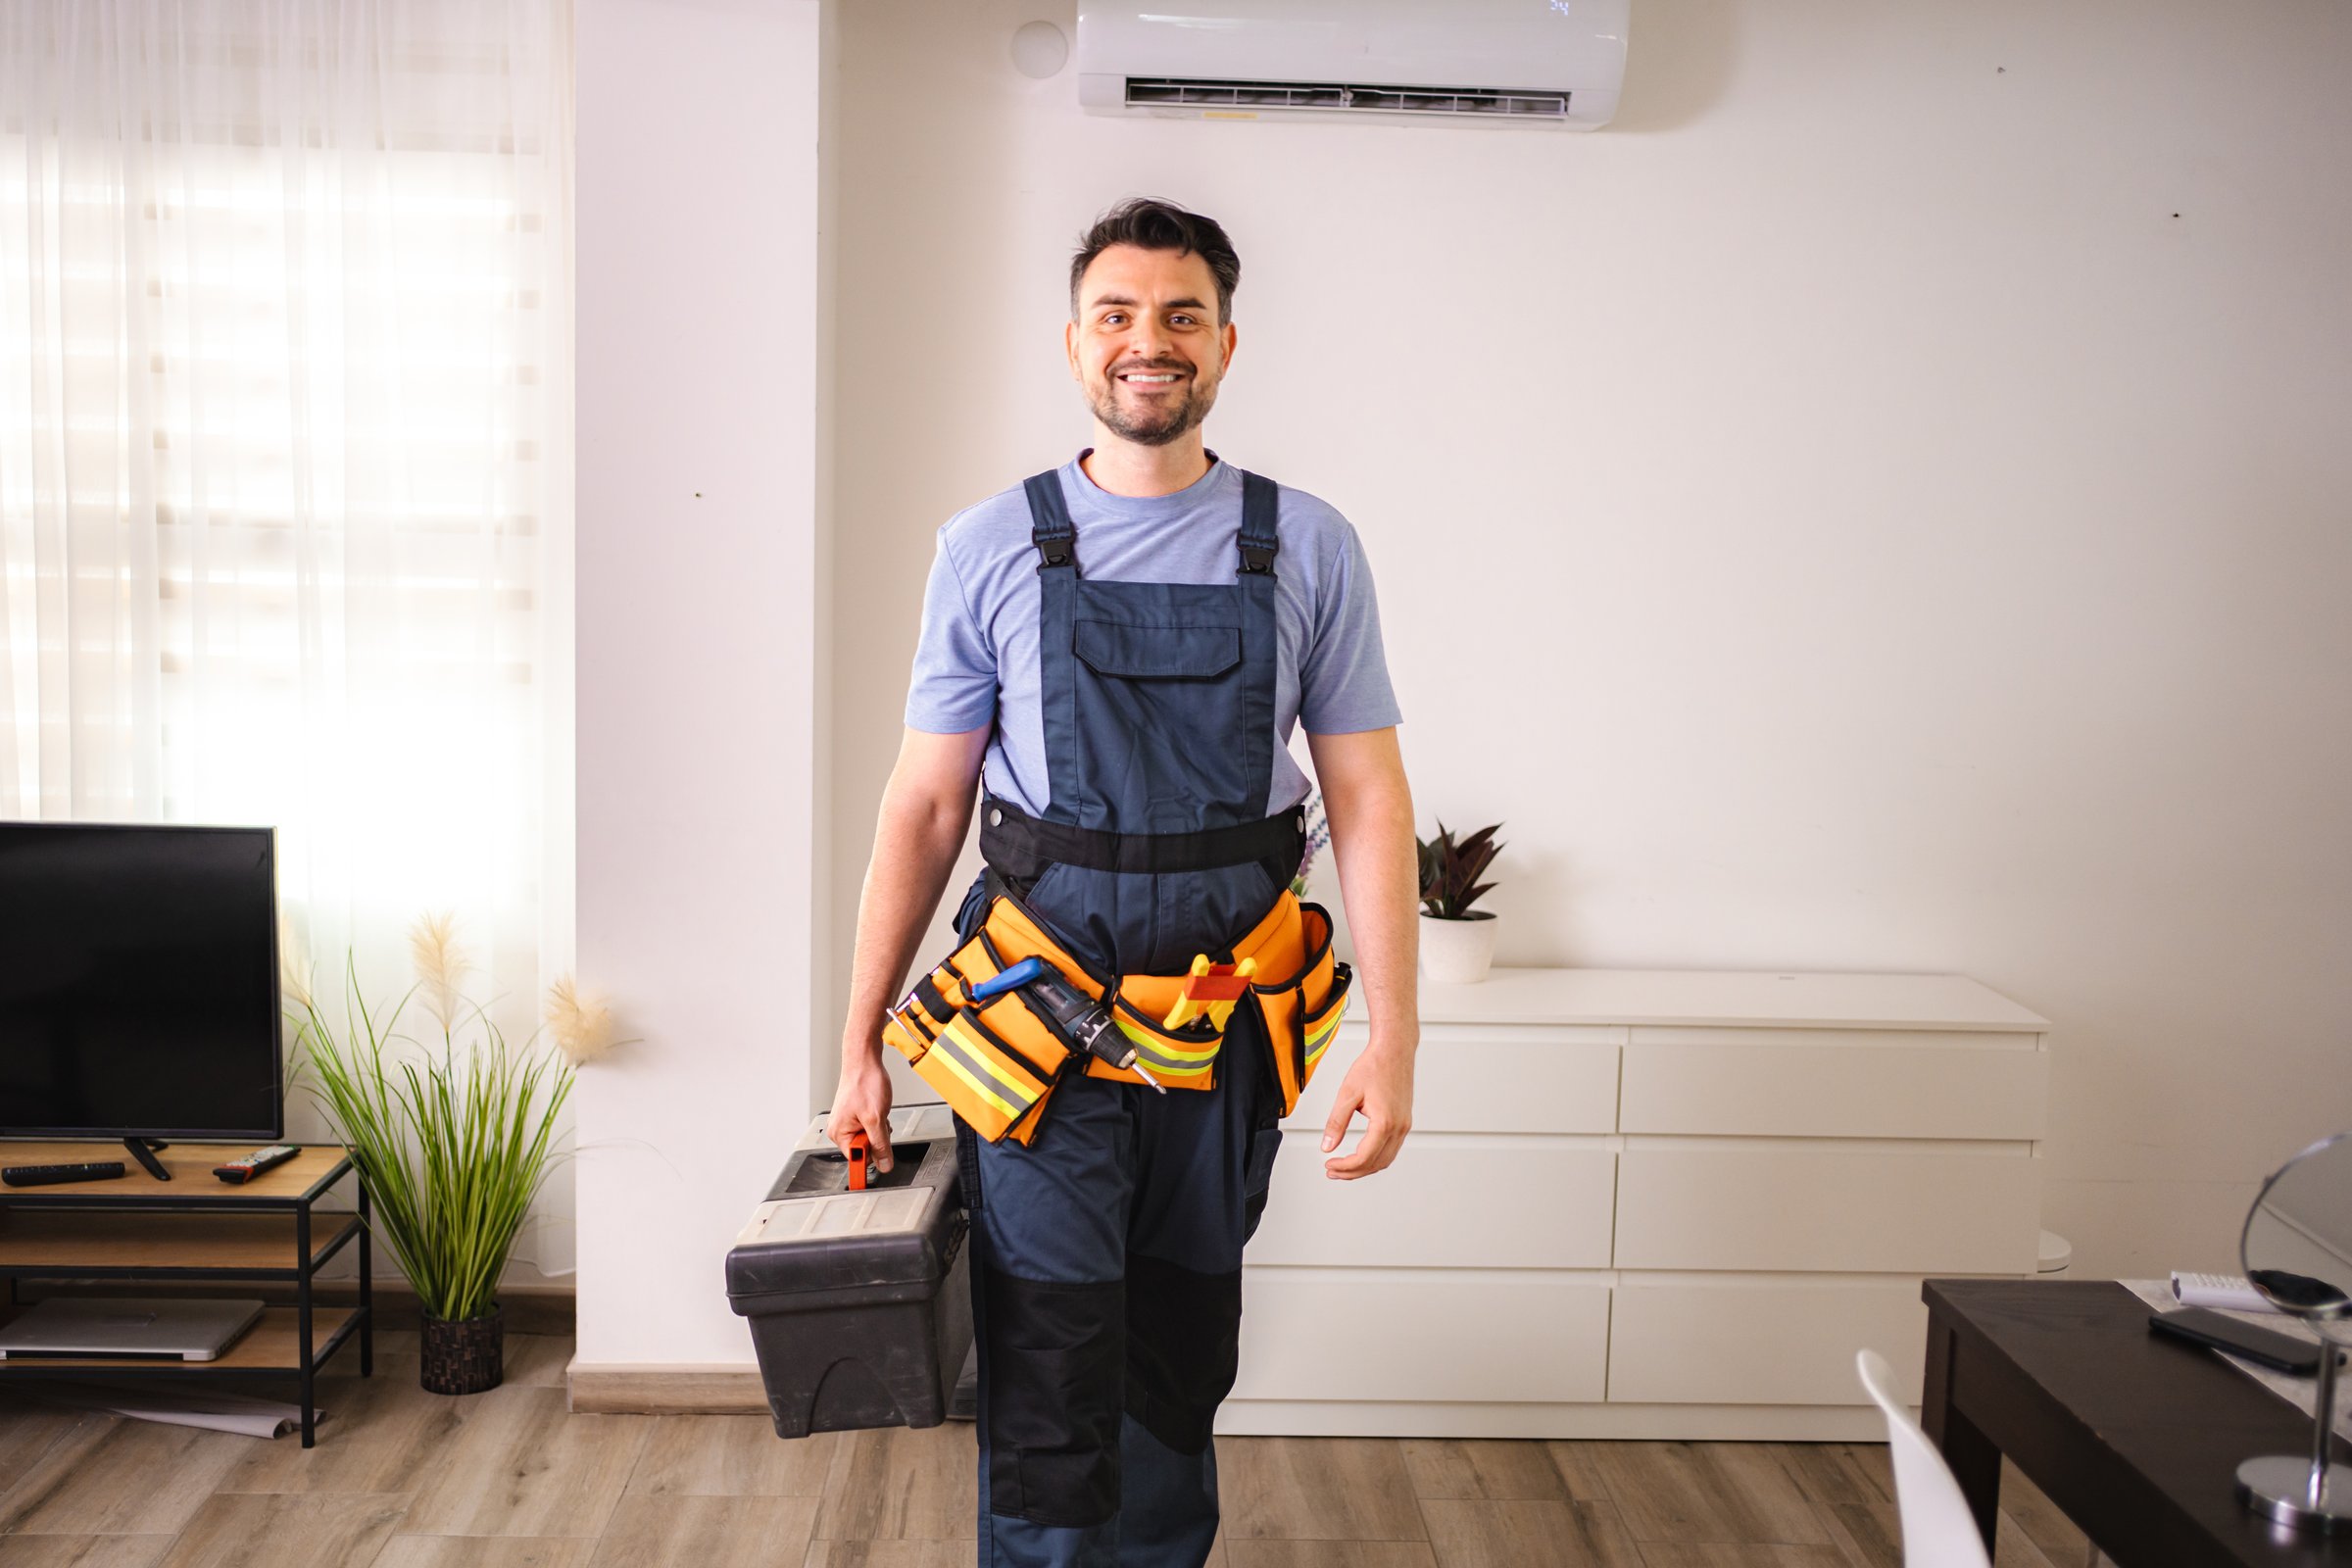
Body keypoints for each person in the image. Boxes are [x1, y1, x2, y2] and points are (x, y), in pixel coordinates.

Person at [827, 196, 1419, 1568]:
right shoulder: (987, 546)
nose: (1147, 342)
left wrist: (1395, 1036)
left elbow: (1369, 799)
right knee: (1050, 1355)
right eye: (1118, 314)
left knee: (1177, 1348)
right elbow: (924, 805)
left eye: (1180, 316)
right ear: (1075, 340)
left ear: (1225, 343)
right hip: (1038, 1025)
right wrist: (858, 1040)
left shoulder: (1307, 545)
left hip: (1224, 1034)